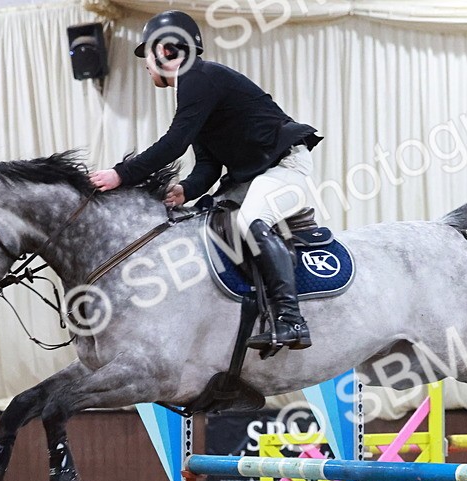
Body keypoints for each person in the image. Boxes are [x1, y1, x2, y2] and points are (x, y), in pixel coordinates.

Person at [90, 10, 321, 350]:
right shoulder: (196, 87)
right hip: (254, 176)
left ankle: (292, 321)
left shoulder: (199, 77)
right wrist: (186, 190)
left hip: (285, 167)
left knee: (252, 220)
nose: (145, 66)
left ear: (165, 50)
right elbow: (208, 166)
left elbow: (174, 144)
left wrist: (120, 174)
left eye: (147, 56)